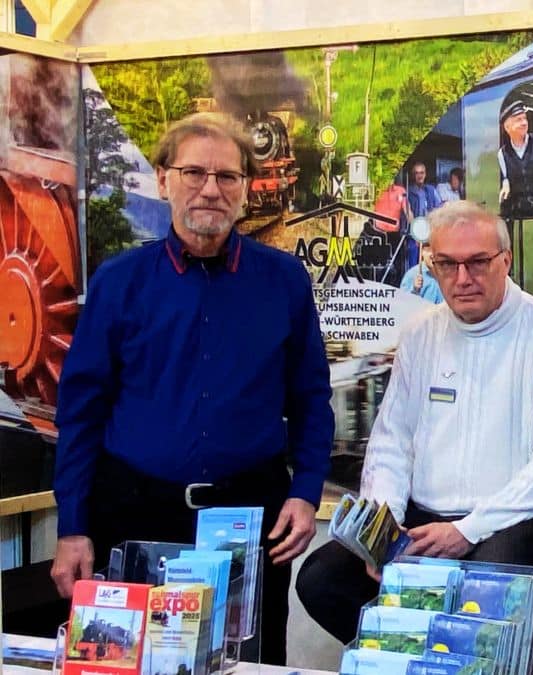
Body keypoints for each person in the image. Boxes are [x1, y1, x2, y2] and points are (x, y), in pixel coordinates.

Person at [51, 112, 333, 665]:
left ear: (247, 189)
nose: (211, 189)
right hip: (133, 515)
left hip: (249, 521)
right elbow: (81, 413)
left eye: (228, 177)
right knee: (134, 665)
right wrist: (73, 527)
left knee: (246, 661)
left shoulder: (284, 282)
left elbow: (309, 399)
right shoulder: (119, 282)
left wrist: (306, 492)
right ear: (163, 179)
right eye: (194, 172)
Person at [296, 200, 533, 644]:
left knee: (483, 586)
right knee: (322, 578)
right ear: (431, 265)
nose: (462, 278)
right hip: (426, 516)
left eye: (477, 263)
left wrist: (467, 530)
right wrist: (383, 527)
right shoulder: (420, 333)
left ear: (506, 260)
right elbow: (391, 442)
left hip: (525, 518)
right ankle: (410, 657)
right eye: (447, 264)